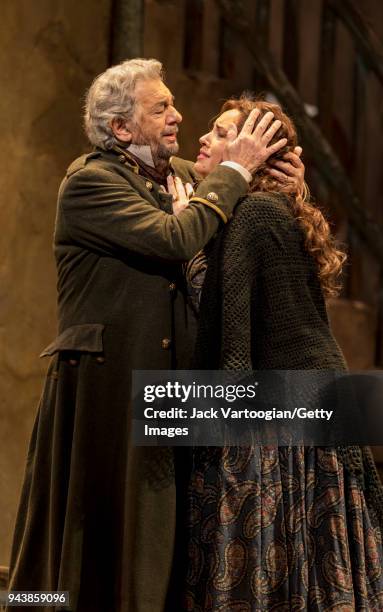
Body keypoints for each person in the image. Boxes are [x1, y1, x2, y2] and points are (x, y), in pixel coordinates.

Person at [6, 60, 304, 612]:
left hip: (169, 391)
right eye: (161, 107)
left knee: (157, 530)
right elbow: (174, 237)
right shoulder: (91, 182)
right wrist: (235, 173)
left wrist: (282, 178)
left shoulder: (182, 176)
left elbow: (236, 184)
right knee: (88, 531)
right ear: (122, 129)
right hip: (106, 387)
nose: (178, 116)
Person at [181, 95, 383, 611]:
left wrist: (215, 437)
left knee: (275, 561)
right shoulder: (271, 208)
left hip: (282, 420)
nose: (203, 139)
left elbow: (235, 342)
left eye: (221, 132)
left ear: (252, 153)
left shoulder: (250, 215)